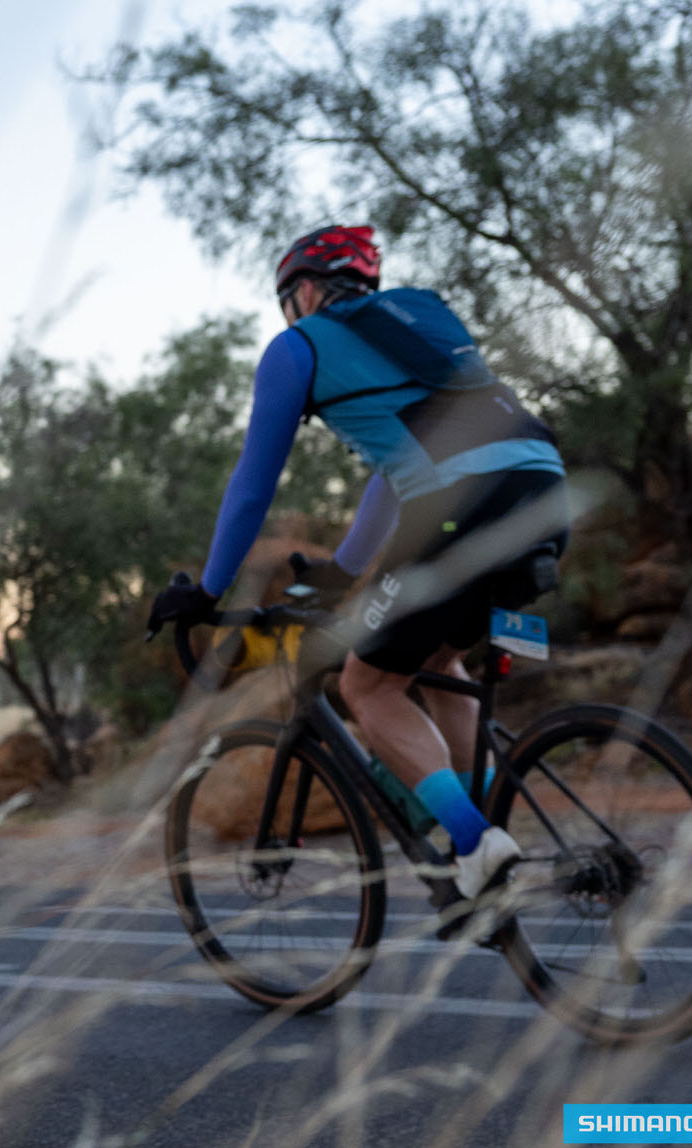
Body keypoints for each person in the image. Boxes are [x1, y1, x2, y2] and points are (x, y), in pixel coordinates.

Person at [148, 224, 570, 907]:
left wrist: (207, 589)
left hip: (461, 505)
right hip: (545, 488)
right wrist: (343, 572)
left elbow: (253, 485)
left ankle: (476, 843)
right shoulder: (416, 325)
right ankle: (480, 836)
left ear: (306, 291)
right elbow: (390, 475)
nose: (291, 315)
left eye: (290, 301)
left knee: (366, 686)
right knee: (436, 660)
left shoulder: (297, 348)